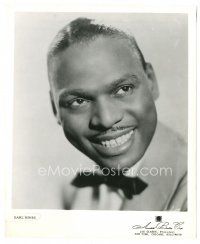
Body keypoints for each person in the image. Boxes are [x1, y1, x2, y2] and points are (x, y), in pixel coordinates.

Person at [47, 17, 187, 211]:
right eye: (79, 101)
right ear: (55, 108)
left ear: (151, 81)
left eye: (123, 89)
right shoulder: (72, 191)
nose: (106, 119)